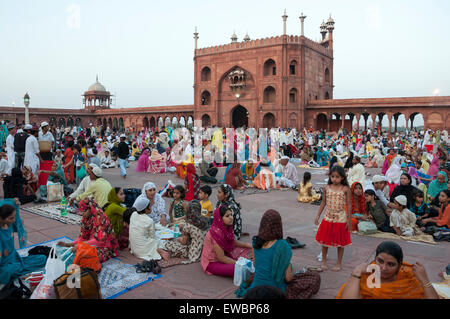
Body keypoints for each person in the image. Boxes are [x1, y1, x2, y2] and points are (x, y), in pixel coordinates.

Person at [235, 209, 320, 299]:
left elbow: (256, 265)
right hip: (275, 291)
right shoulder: (282, 246)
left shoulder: (255, 241)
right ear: (278, 226)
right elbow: (288, 278)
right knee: (314, 277)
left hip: (256, 289)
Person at [336, 241, 438, 299]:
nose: (383, 268)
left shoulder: (407, 278)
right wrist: (356, 272)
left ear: (399, 266)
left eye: (391, 264)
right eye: (380, 261)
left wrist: (425, 280)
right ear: (375, 259)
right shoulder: (369, 274)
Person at [57, 198, 119, 263]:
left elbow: (100, 241)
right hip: (93, 242)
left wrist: (81, 245)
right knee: (75, 253)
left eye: (83, 211)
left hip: (105, 246)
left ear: (90, 209)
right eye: (80, 211)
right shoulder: (86, 218)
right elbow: (83, 237)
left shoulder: (100, 218)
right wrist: (68, 244)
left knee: (89, 257)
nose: (81, 214)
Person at [314, 166, 351, 272]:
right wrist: (318, 216)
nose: (335, 179)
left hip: (341, 217)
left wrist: (349, 219)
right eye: (333, 176)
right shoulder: (326, 188)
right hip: (328, 217)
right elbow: (323, 202)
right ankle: (324, 261)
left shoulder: (345, 189)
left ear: (343, 178)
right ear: (330, 176)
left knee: (340, 242)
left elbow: (348, 204)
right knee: (325, 240)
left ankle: (338, 263)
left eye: (337, 177)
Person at [0, 203, 47, 284]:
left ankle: (17, 270)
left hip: (16, 258)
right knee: (8, 271)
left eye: (14, 217)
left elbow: (19, 223)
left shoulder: (9, 224)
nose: (14, 220)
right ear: (1, 218)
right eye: (11, 218)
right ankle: (15, 271)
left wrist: (16, 205)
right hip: (4, 264)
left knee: (42, 258)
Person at [200, 205, 252, 277]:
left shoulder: (227, 227)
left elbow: (232, 241)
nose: (231, 218)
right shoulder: (216, 233)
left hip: (224, 254)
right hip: (213, 262)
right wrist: (238, 263)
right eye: (227, 216)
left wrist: (247, 245)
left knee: (249, 249)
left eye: (231, 215)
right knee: (240, 269)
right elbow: (221, 257)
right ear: (220, 219)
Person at [126, 196, 170, 261]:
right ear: (145, 210)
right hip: (143, 250)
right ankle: (159, 251)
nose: (151, 208)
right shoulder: (149, 220)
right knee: (159, 241)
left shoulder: (133, 214)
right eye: (150, 207)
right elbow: (152, 237)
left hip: (134, 249)